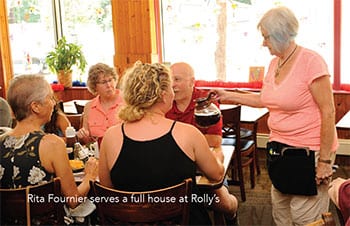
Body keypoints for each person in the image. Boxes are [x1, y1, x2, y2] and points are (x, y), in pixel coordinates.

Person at [212, 6, 338, 226]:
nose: (263, 43)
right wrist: (227, 95)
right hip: (279, 150)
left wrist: (325, 162)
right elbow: (265, 99)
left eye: (266, 37)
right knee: (280, 211)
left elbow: (329, 112)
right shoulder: (275, 63)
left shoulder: (311, 61)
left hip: (311, 152)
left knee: (304, 217)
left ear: (281, 33)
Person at [99, 61, 233, 225]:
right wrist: (218, 156)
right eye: (170, 86)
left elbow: (107, 190)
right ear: (163, 94)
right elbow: (217, 175)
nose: (173, 91)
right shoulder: (189, 133)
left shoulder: (111, 136)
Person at [0, 74, 98, 213]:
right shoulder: (52, 144)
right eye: (50, 98)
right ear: (36, 107)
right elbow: (73, 200)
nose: (53, 103)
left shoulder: (1, 140)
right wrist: (90, 176)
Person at [166, 62, 238, 222]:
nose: (172, 85)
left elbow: (214, 140)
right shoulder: (165, 103)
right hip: (175, 166)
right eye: (170, 80)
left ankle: (233, 214)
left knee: (223, 204)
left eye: (177, 79)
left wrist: (176, 140)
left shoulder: (206, 103)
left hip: (205, 162)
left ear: (192, 82)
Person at [76, 63, 123, 146]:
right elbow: (88, 141)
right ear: (95, 86)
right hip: (98, 154)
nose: (109, 85)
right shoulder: (89, 107)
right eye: (103, 82)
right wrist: (83, 136)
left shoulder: (127, 101)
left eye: (110, 80)